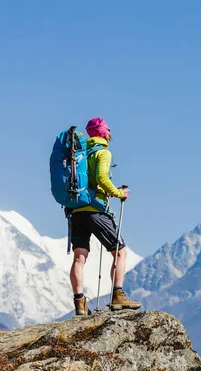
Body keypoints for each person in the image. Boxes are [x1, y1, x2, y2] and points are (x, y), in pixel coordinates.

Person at [69, 117, 141, 315]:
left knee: (79, 258)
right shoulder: (103, 153)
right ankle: (118, 295)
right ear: (103, 133)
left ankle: (80, 304)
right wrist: (118, 193)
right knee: (120, 251)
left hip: (76, 211)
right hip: (96, 210)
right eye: (108, 130)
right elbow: (101, 178)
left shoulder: (80, 154)